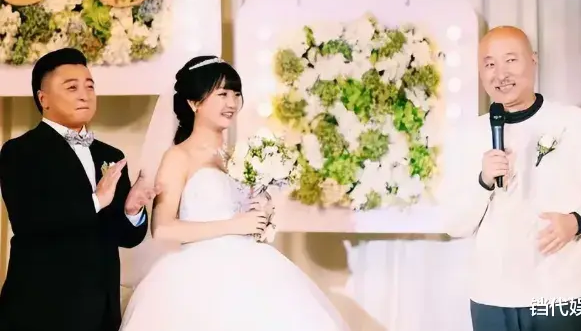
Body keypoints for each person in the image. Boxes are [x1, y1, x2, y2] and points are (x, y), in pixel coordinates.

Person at [120, 55, 349, 331]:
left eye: (236, 94)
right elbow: (163, 229)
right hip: (199, 277)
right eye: (222, 94)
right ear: (194, 103)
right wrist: (234, 225)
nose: (231, 102)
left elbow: (246, 214)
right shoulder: (178, 156)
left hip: (253, 268)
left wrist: (262, 216)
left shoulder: (240, 156)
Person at [439, 26, 581, 331]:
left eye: (511, 60)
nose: (500, 74)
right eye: (490, 64)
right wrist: (483, 181)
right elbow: (454, 224)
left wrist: (577, 221)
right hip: (491, 299)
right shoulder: (468, 135)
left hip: (560, 297)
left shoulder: (574, 124)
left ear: (533, 60)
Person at [0, 48, 157, 331]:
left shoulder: (110, 155)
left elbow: (126, 237)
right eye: (72, 87)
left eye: (90, 86)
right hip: (42, 309)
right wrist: (96, 200)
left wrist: (132, 211)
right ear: (43, 99)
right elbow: (29, 222)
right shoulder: (19, 151)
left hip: (101, 310)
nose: (85, 95)